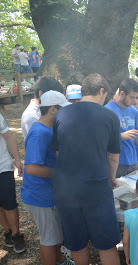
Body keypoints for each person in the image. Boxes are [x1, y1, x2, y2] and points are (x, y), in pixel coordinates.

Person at [51, 73, 122, 265]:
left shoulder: (61, 114)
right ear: (101, 91)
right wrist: (112, 178)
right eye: (105, 96)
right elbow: (113, 156)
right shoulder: (110, 116)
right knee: (106, 243)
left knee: (77, 242)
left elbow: (58, 152)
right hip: (96, 187)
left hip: (66, 189)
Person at [21, 91, 73, 265]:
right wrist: (60, 171)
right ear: (53, 109)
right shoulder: (39, 133)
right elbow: (31, 168)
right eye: (62, 110)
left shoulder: (48, 129)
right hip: (40, 196)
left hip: (48, 193)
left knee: (54, 235)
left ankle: (60, 260)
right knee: (48, 239)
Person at [105, 78, 138, 178]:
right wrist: (121, 136)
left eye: (136, 97)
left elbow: (136, 134)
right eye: (132, 97)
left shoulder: (133, 111)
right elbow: (103, 137)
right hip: (116, 162)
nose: (134, 101)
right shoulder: (108, 111)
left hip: (132, 161)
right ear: (122, 93)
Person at [0, 112, 26, 254]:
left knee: (9, 202)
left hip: (2, 166)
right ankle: (7, 232)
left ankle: (17, 235)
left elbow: (8, 136)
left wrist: (17, 159)